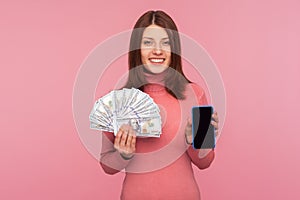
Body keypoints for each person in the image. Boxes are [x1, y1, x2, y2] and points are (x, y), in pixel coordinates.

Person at [99, 10, 219, 200]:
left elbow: (206, 162)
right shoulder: (117, 101)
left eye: (166, 42)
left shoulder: (195, 94)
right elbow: (107, 165)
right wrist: (123, 154)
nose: (157, 50)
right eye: (148, 42)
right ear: (136, 48)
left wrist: (192, 141)